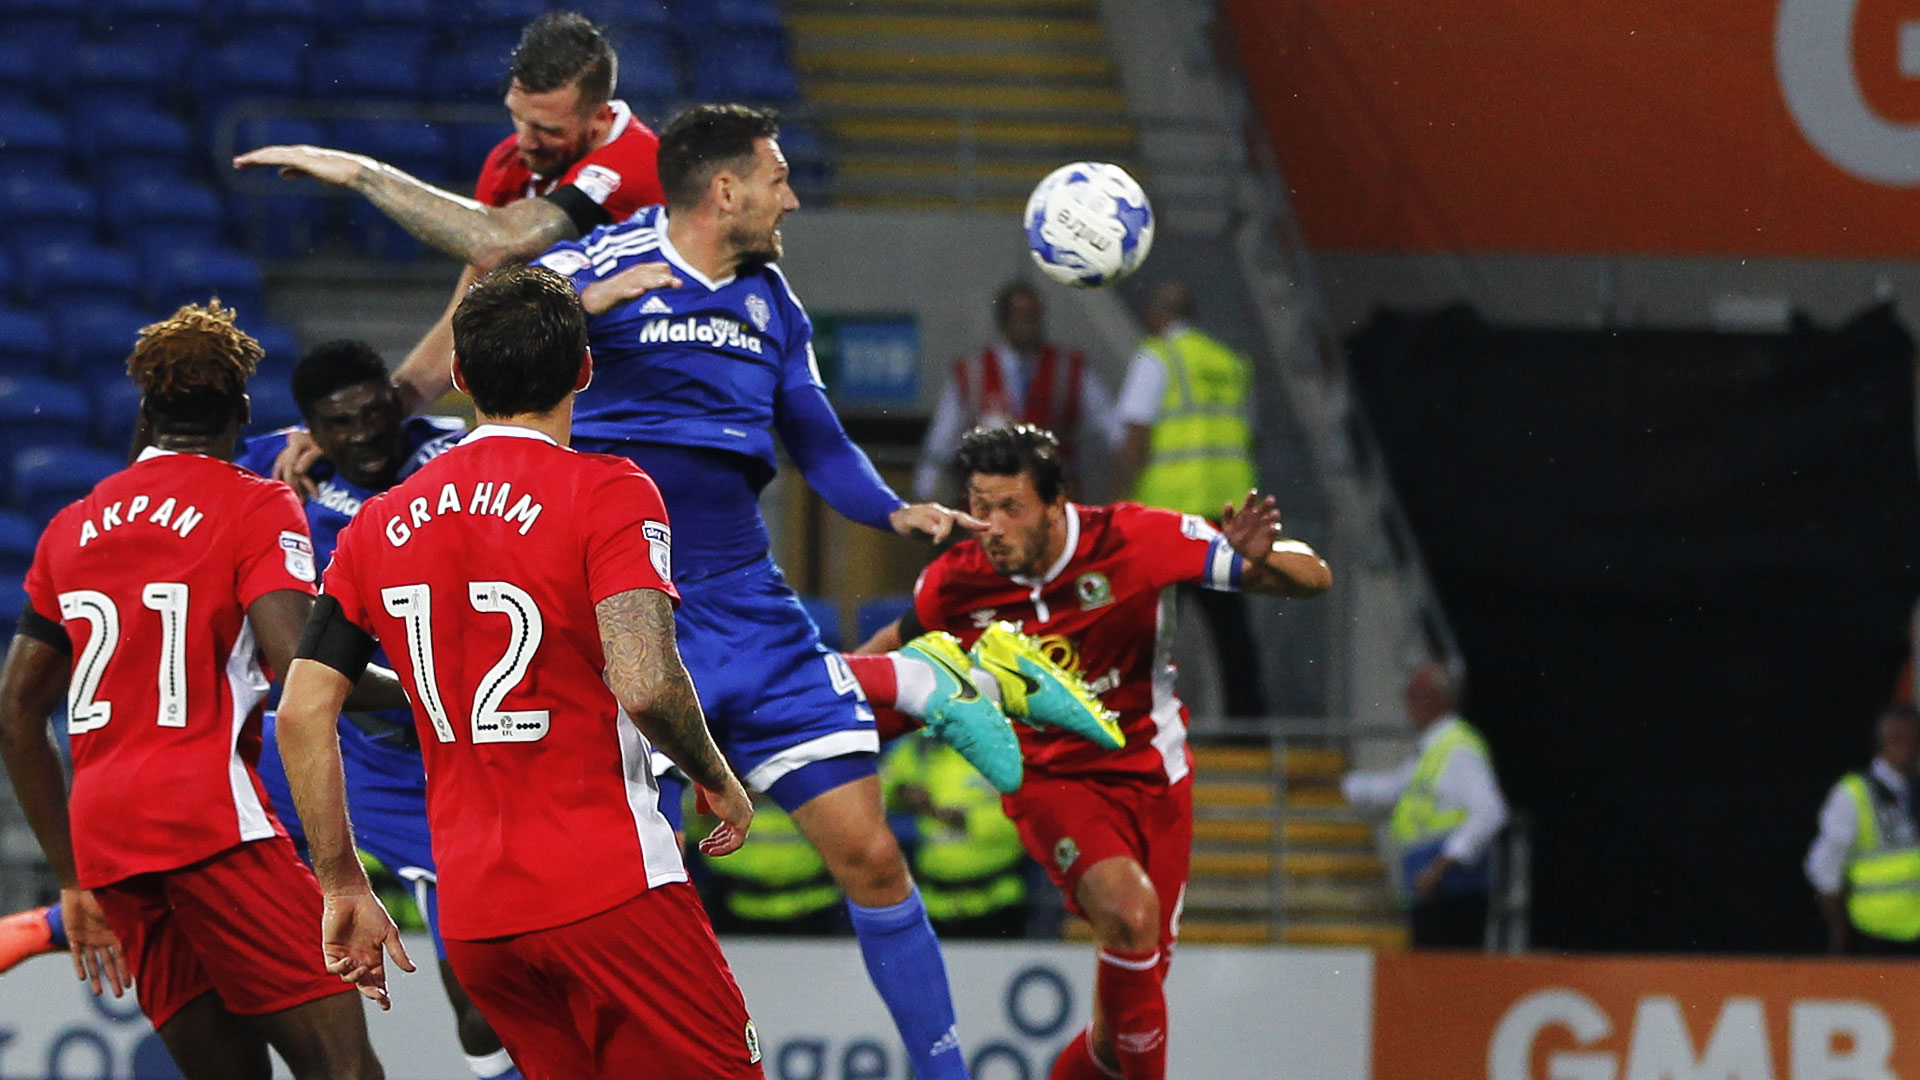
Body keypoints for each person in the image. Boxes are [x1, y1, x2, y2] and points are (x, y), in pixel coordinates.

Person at [522, 103, 1008, 1079]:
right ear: (725, 189)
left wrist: (893, 511)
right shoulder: (592, 266)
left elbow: (817, 438)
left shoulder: (773, 301)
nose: (791, 197)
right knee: (618, 886)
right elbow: (487, 354)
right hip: (628, 606)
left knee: (870, 855)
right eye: (778, 179)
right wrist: (594, 298)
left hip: (748, 601)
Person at [274, 265, 763, 1078]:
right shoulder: (609, 492)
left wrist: (340, 883)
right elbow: (645, 683)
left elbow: (300, 713)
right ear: (583, 370)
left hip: (479, 918)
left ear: (460, 378)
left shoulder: (377, 525)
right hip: (609, 889)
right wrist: (716, 775)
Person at [0, 302, 406, 1078]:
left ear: (148, 410)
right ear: (243, 412)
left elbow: (18, 714)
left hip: (106, 840)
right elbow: (303, 668)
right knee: (346, 1070)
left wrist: (73, 876)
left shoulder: (71, 526)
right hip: (210, 823)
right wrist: (423, 690)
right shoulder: (254, 504)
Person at [861, 423, 1333, 1080]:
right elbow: (890, 645)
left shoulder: (1138, 539)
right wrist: (812, 696)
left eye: (1010, 508)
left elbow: (1314, 576)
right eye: (979, 504)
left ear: (1056, 506)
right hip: (1050, 780)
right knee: (1129, 911)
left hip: (1154, 779)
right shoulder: (959, 580)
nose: (990, 525)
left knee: (1120, 1033)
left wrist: (1263, 559)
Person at [235, 12, 662, 416]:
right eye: (518, 119)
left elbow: (500, 243)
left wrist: (362, 174)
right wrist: (384, 414)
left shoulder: (639, 161)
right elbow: (471, 306)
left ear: (599, 118)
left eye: (549, 130)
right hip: (566, 399)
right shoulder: (508, 164)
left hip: (646, 396)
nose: (526, 142)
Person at [1112, 279, 1263, 718]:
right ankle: (1247, 718)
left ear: (1157, 315)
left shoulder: (1156, 358)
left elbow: (1135, 439)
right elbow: (1250, 438)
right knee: (1229, 624)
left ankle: (1132, 711)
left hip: (1171, 518)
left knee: (1145, 618)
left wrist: (1115, 508)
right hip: (1226, 516)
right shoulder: (1229, 363)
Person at [1341, 664, 1510, 950]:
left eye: (1413, 694)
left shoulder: (1458, 748)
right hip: (1432, 889)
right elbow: (1396, 786)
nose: (1407, 703)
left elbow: (1491, 811)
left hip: (1453, 891)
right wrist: (1342, 785)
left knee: (1449, 981)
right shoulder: (1433, 749)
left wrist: (1443, 863)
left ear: (1437, 699)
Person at [914, 280, 1116, 503]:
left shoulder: (1068, 369)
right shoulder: (973, 373)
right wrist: (928, 487)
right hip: (991, 503)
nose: (1027, 324)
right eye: (1019, 315)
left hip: (1052, 501)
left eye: (1032, 316)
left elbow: (1110, 427)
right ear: (1003, 320)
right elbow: (942, 439)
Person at [884, 737, 1031, 940]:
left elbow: (1028, 813)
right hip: (934, 904)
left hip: (995, 902)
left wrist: (968, 820)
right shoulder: (921, 745)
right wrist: (900, 790)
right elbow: (880, 785)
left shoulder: (1001, 749)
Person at [1805, 705, 1920, 955]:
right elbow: (1824, 869)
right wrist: (1839, 932)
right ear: (1883, 741)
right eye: (1899, 738)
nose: (1908, 748)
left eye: (1914, 739)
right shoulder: (1854, 794)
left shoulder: (1915, 790)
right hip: (1875, 936)